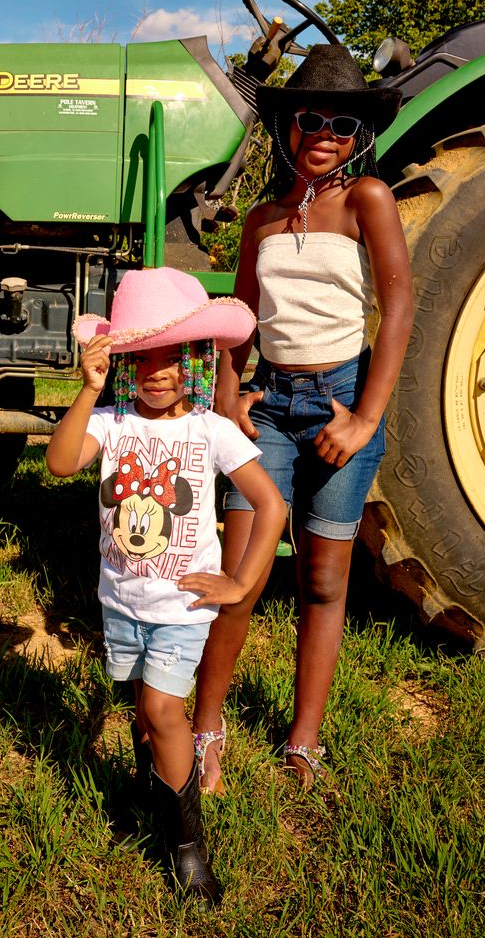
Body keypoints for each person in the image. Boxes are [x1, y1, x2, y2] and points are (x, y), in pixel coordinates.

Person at [191, 42, 414, 794]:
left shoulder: (368, 201)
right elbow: (242, 313)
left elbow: (399, 309)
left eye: (342, 124)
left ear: (360, 134)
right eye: (311, 119)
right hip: (273, 405)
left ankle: (303, 740)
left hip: (344, 399)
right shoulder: (262, 216)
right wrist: (229, 390)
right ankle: (204, 732)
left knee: (323, 578)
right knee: (238, 573)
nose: (325, 134)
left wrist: (363, 419)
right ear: (289, 126)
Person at [46, 267, 286, 904]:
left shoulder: (210, 430)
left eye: (168, 359)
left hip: (183, 606)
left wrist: (238, 583)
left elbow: (271, 506)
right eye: (140, 359)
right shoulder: (112, 423)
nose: (155, 372)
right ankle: (151, 793)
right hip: (120, 601)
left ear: (192, 360)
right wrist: (86, 390)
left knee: (162, 710)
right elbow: (60, 461)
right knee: (140, 712)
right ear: (123, 364)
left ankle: (187, 845)